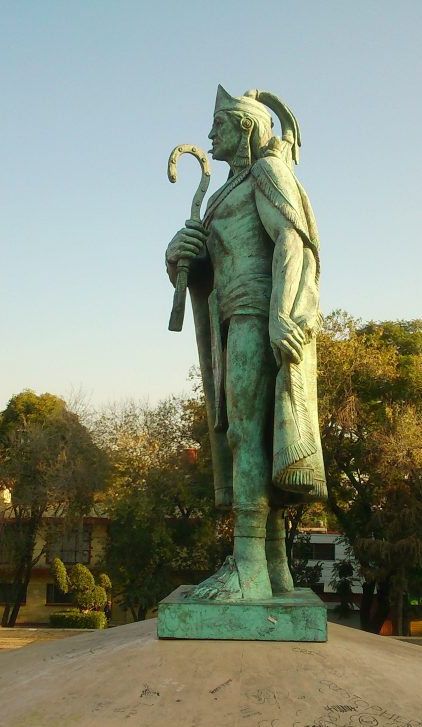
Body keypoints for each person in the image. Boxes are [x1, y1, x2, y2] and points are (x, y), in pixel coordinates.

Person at [165, 86, 326, 601]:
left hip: (257, 312)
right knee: (249, 435)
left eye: (220, 125)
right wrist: (179, 254)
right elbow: (212, 263)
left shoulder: (268, 171)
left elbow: (292, 240)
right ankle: (273, 569)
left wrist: (282, 314)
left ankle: (247, 565)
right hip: (232, 317)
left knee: (246, 434)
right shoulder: (226, 192)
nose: (211, 134)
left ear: (247, 127)